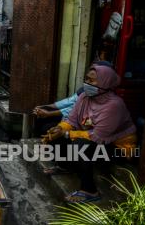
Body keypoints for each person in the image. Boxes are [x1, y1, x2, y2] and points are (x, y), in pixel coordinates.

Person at [42, 64, 137, 203]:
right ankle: (64, 166)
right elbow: (71, 120)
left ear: (105, 82)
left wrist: (66, 134)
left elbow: (98, 136)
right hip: (94, 139)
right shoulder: (85, 97)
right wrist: (60, 128)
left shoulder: (115, 105)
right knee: (51, 129)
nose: (87, 83)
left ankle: (90, 190)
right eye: (86, 79)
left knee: (79, 146)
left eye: (92, 80)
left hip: (118, 149)